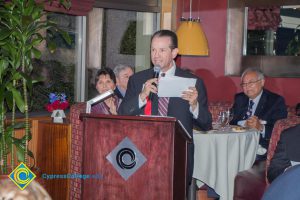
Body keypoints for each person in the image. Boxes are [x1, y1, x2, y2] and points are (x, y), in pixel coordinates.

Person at [118, 30, 212, 185]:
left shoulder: (192, 82)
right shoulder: (138, 79)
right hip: (141, 152)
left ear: (174, 52)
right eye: (153, 50)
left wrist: (194, 105)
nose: (156, 55)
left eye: (162, 50)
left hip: (177, 153)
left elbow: (206, 123)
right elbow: (122, 114)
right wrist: (142, 96)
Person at [230, 68, 287, 159]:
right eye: (244, 84)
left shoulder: (275, 101)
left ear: (262, 82)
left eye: (251, 83)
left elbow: (280, 130)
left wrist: (260, 127)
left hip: (260, 145)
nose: (247, 87)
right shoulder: (240, 98)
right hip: (236, 143)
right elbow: (231, 121)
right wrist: (244, 123)